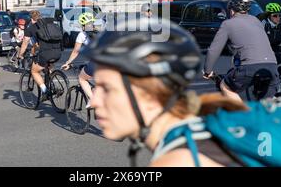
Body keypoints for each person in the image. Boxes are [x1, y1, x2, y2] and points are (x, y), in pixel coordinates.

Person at [81, 17, 246, 166]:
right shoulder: (193, 139)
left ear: (149, 93)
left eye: (108, 89)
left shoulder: (177, 161)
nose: (95, 101)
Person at [202, 0, 279, 103]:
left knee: (225, 86)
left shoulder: (228, 24)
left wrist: (207, 71)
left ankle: (243, 115)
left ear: (232, 11)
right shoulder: (256, 21)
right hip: (272, 67)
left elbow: (214, 50)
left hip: (249, 67)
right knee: (264, 104)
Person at [17, 10, 62, 97]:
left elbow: (25, 43)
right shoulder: (49, 24)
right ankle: (52, 83)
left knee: (34, 71)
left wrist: (20, 54)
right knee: (48, 68)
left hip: (45, 53)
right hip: (57, 52)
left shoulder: (31, 28)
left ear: (31, 18)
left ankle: (45, 91)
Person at [62, 12, 98, 108]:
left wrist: (68, 62)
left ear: (83, 24)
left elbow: (75, 52)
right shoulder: (101, 31)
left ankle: (92, 100)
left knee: (82, 78)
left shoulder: (82, 35)